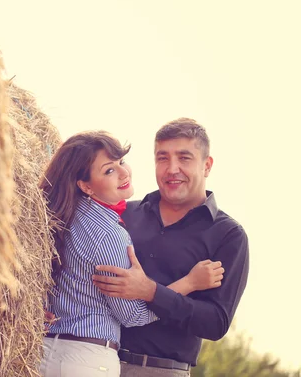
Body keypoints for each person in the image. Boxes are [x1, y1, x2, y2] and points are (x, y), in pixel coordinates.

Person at [39, 130, 224, 377]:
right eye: (109, 170)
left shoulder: (59, 217)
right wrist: (189, 282)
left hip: (44, 351)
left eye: (121, 162)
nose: (124, 173)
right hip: (86, 360)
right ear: (85, 185)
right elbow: (133, 316)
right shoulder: (111, 233)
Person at [92, 118, 250, 376]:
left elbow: (215, 323)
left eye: (184, 158)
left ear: (206, 165)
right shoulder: (125, 215)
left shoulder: (228, 235)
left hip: (162, 370)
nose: (171, 169)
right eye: (162, 158)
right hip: (98, 361)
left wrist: (151, 292)